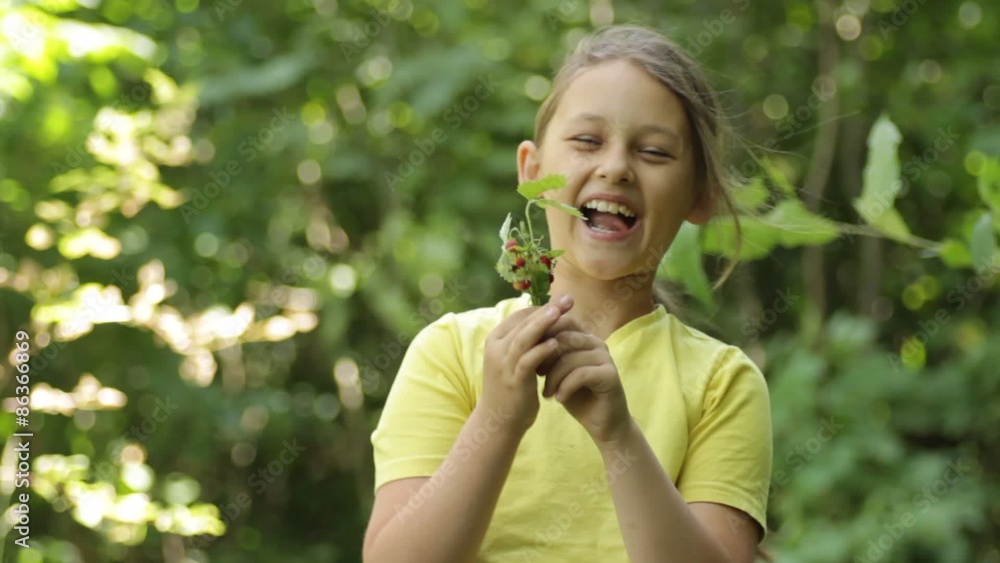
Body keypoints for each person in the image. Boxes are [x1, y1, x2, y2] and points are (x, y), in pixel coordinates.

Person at [363, 24, 772, 562]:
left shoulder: (722, 383)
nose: (616, 167)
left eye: (653, 151)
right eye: (587, 141)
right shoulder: (451, 352)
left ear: (701, 197)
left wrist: (619, 438)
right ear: (531, 170)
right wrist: (496, 420)